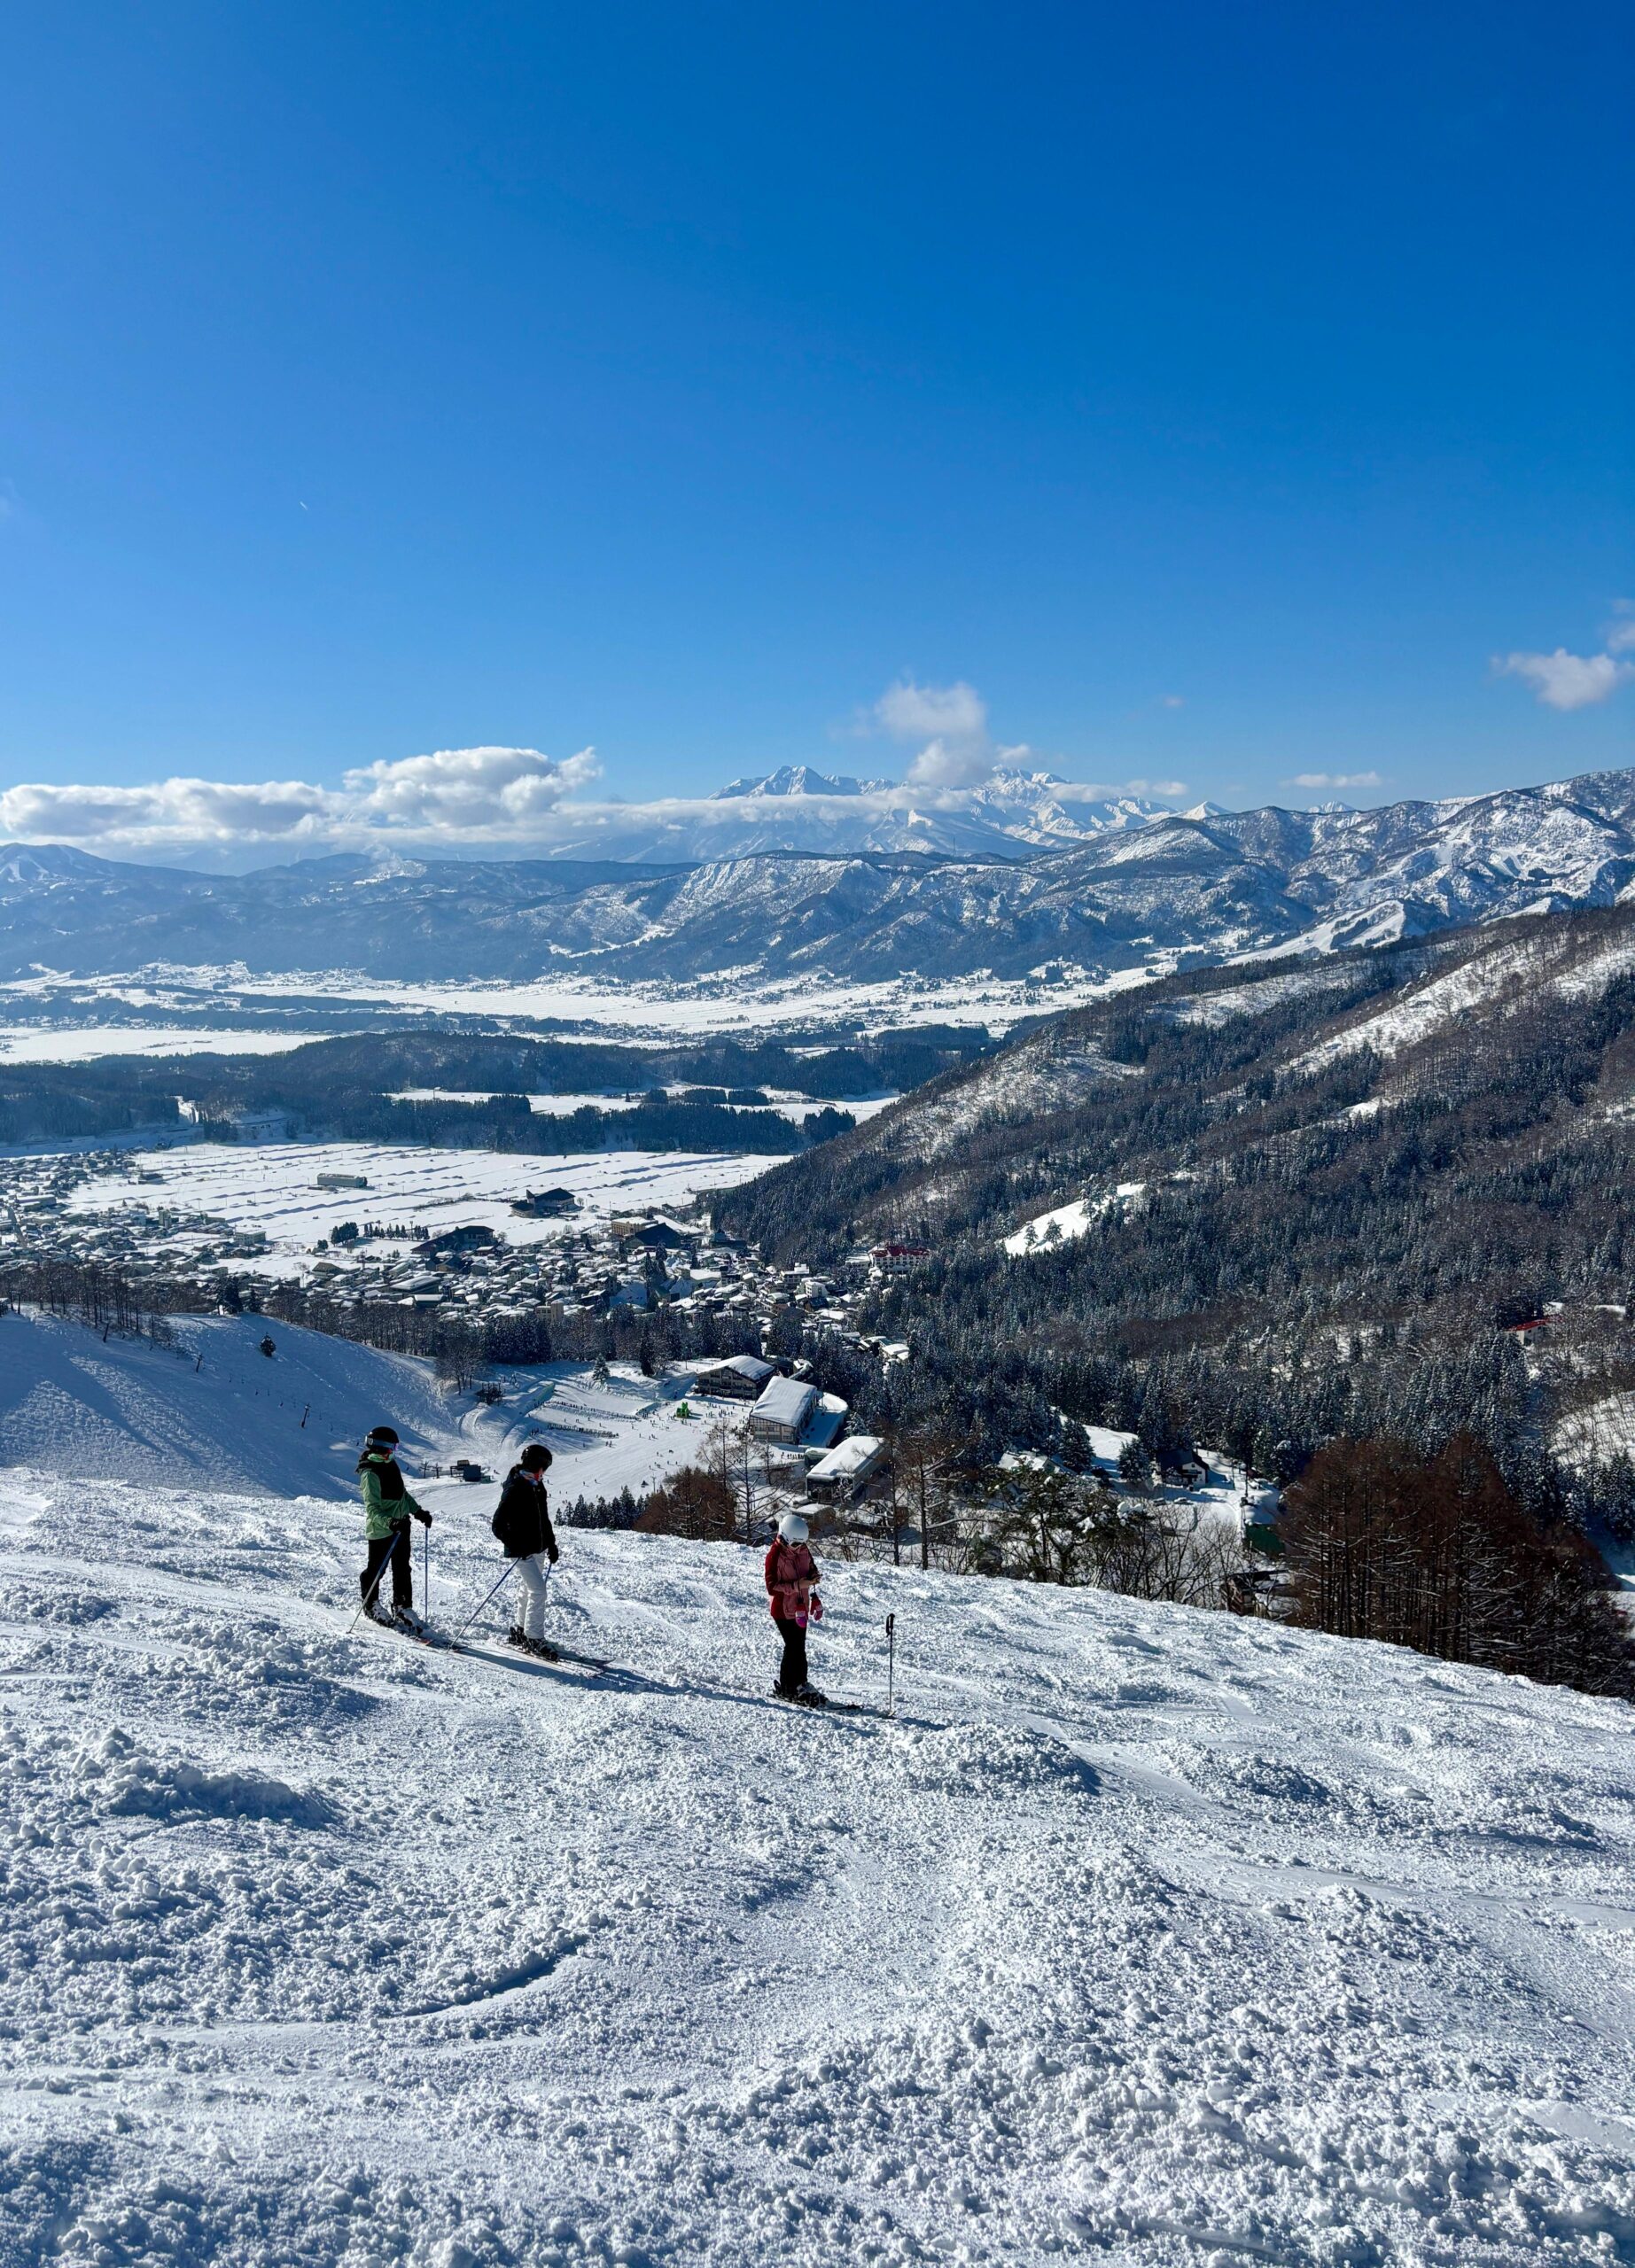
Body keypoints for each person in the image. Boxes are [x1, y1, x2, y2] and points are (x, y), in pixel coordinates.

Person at [356, 1425, 432, 1627]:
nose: (393, 1451)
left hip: (401, 1527)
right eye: (391, 1447)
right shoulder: (370, 1472)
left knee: (402, 1569)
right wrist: (390, 1522)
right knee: (376, 1569)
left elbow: (402, 1495)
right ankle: (370, 1604)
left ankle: (402, 1606)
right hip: (382, 1529)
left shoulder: (390, 1464)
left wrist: (418, 1512)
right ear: (380, 1447)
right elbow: (372, 1508)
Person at [492, 1442, 559, 1658]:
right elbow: (498, 1525)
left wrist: (551, 1543)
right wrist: (516, 1546)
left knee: (528, 1590)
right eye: (544, 1468)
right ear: (536, 1465)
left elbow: (543, 1519)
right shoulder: (515, 1487)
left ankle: (522, 1630)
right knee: (539, 1590)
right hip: (523, 1551)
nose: (544, 1472)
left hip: (537, 1548)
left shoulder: (536, 1485)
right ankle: (534, 1637)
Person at [764, 1510, 824, 1705]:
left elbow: (810, 1566)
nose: (799, 1547)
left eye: (802, 1543)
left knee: (800, 1647)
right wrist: (799, 1585)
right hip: (782, 1609)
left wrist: (813, 1578)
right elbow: (771, 1587)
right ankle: (788, 1686)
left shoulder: (803, 1549)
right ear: (785, 1537)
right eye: (796, 1544)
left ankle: (801, 1682)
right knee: (792, 1647)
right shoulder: (774, 1555)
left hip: (800, 1606)